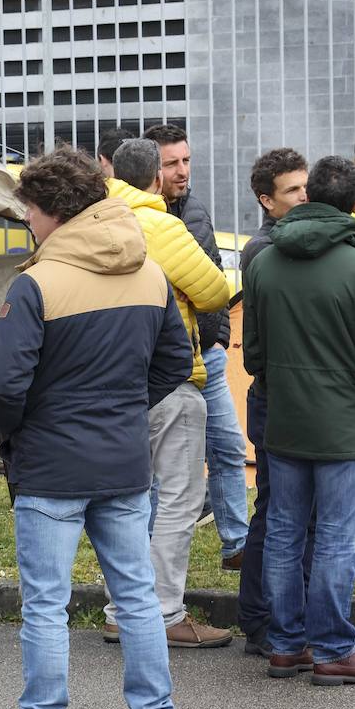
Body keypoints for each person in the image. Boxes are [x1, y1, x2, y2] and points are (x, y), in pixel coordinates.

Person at [0, 147, 191, 709]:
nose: (28, 224)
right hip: (124, 459)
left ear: (53, 212)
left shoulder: (37, 283)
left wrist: (16, 437)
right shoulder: (149, 272)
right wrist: (128, 407)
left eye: (30, 213)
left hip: (50, 464)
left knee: (46, 604)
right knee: (136, 597)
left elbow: (2, 385)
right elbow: (175, 363)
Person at [103, 139, 233, 648]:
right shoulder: (160, 225)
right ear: (156, 179)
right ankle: (164, 613)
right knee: (178, 501)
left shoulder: (93, 220)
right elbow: (215, 291)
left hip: (108, 385)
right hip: (167, 378)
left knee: (126, 505)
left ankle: (119, 610)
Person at [243, 155, 355, 684]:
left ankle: (285, 645)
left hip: (283, 416)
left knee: (284, 531)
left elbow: (254, 358)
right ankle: (333, 647)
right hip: (341, 423)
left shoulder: (264, 260)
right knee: (335, 534)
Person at [144, 123, 249, 570]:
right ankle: (149, 556)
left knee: (227, 446)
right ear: (154, 168)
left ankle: (237, 545)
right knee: (157, 469)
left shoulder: (195, 210)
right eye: (172, 163)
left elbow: (215, 277)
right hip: (164, 361)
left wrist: (221, 337)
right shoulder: (142, 219)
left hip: (204, 351)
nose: (182, 170)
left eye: (186, 160)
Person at [237, 148, 310, 656]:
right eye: (293, 190)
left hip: (284, 396)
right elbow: (260, 350)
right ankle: (261, 620)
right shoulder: (265, 251)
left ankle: (271, 619)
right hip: (275, 398)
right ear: (267, 200)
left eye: (306, 186)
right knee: (276, 512)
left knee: (286, 512)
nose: (305, 196)